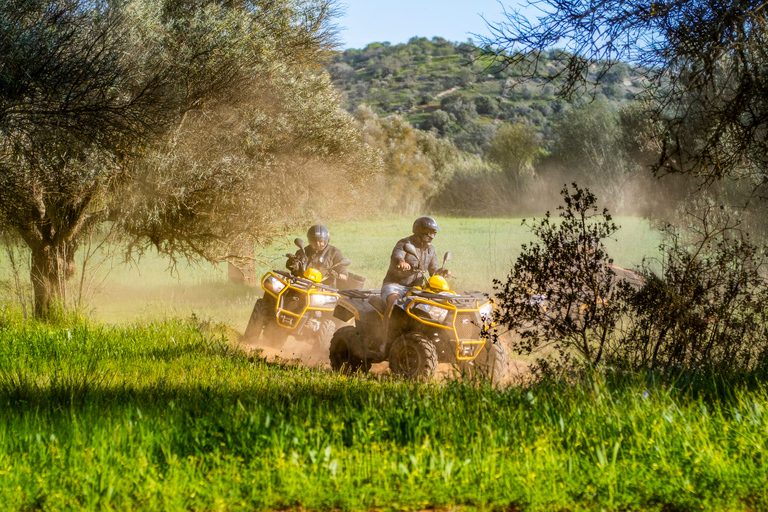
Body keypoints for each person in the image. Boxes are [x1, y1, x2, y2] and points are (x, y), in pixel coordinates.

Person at [381, 216, 451, 328]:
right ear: (420, 231)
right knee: (394, 303)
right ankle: (384, 339)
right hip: (395, 285)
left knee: (435, 307)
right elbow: (397, 255)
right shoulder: (405, 243)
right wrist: (401, 262)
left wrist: (442, 272)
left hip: (417, 289)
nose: (432, 236)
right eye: (430, 233)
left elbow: (434, 271)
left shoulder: (430, 249)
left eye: (434, 233)